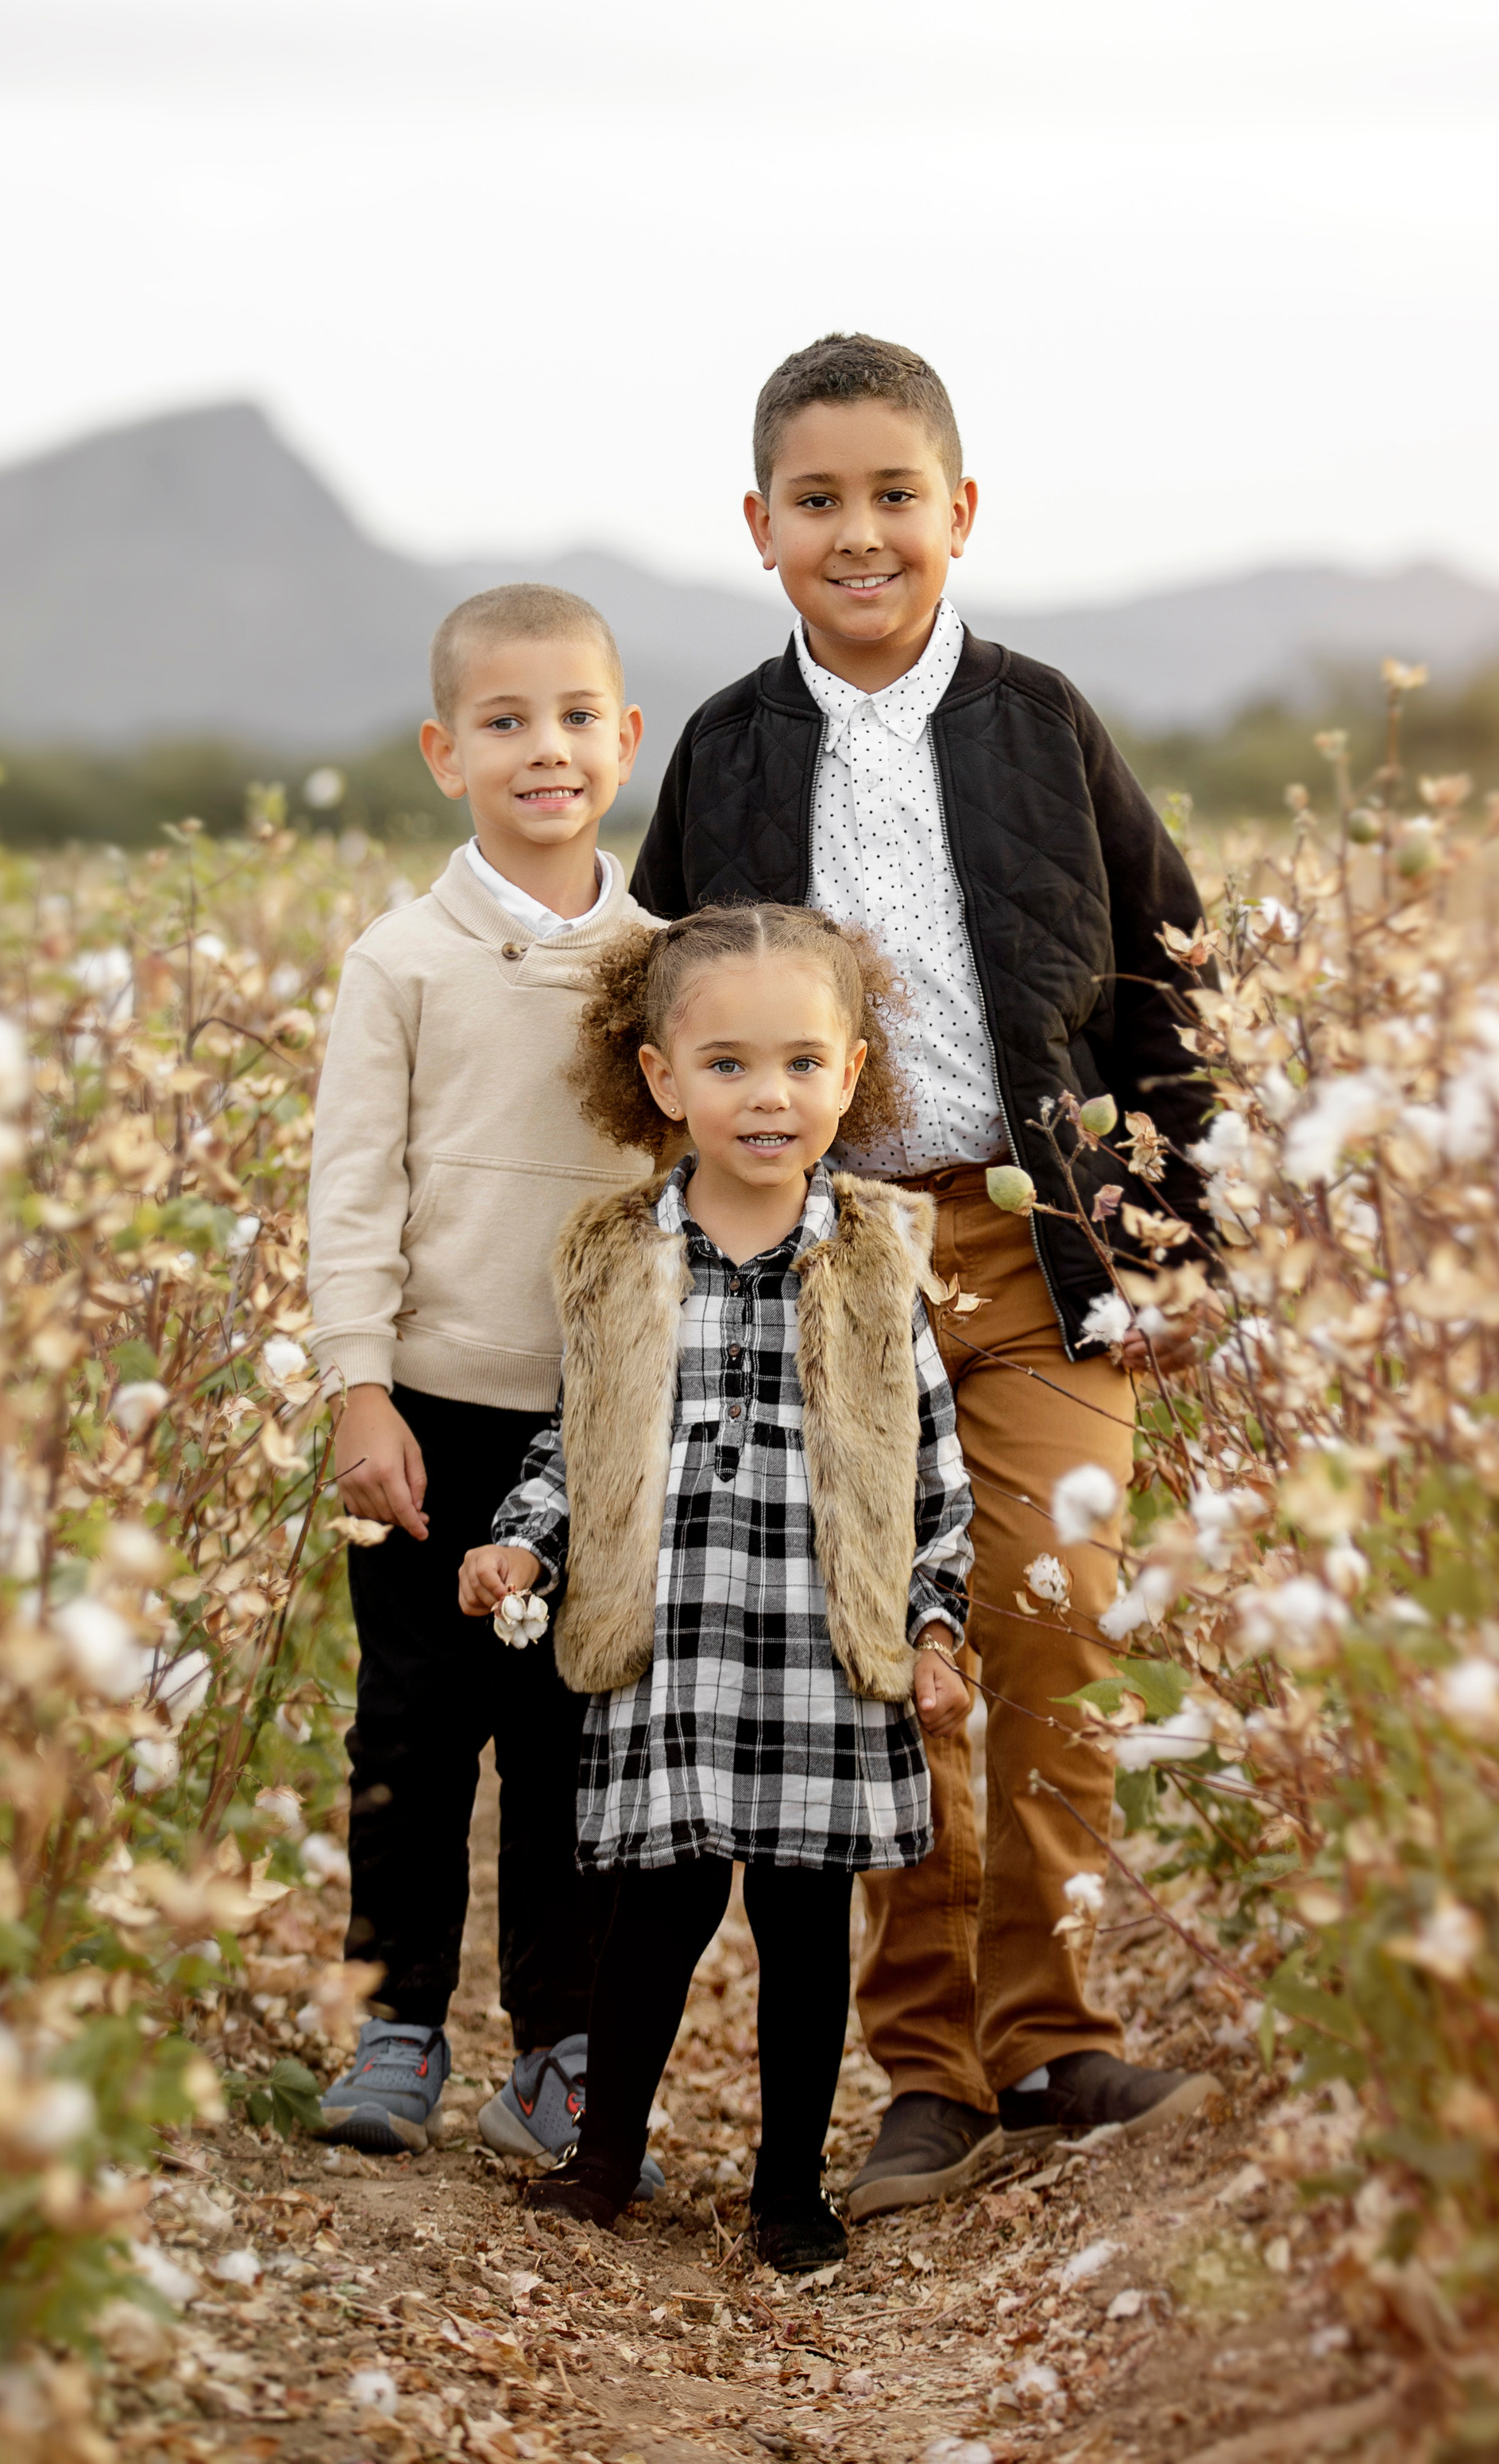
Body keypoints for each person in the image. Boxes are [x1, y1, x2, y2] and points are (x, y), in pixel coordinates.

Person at [633, 333, 1220, 2218]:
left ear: (958, 514)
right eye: (818, 502)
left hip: (1040, 1243)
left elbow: (1169, 983)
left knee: (1051, 1622)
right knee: (879, 1658)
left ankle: (1048, 2030)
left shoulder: (1043, 722)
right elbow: (651, 1014)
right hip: (837, 1261)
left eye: (894, 497)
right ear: (759, 527)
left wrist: (1182, 1242)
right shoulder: (726, 751)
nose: (859, 533)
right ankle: (926, 2071)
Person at [459, 903, 974, 2273]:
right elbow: (574, 1443)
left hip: (821, 1643)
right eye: (731, 1065)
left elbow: (933, 1469)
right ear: (661, 1080)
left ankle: (788, 2189)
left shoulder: (874, 1259)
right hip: (676, 1643)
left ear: (852, 1077)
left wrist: (934, 1620)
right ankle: (608, 2155)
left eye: (805, 1064)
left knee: (807, 1929)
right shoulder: (622, 1254)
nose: (770, 1096)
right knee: (657, 1916)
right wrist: (525, 1542)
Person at [305, 582, 663, 2175]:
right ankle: (394, 2028)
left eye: (577, 717)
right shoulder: (399, 963)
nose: (547, 749)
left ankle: (562, 2054)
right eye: (507, 723)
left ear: (625, 741)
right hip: (429, 1415)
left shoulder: (663, 963)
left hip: (599, 1419)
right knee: (411, 1731)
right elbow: (351, 1191)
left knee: (574, 1738)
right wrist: (356, 1386)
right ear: (446, 753)